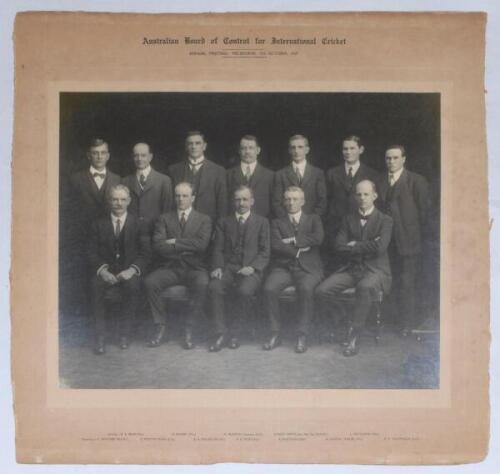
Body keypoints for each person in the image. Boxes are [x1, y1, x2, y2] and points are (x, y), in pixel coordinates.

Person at [316, 180, 393, 356]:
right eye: (359, 194)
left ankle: (354, 335)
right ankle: (345, 319)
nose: (362, 198)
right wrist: (368, 244)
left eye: (366, 194)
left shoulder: (385, 220)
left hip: (376, 270)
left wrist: (354, 245)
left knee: (364, 287)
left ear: (374, 196)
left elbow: (381, 248)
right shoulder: (348, 219)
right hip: (353, 269)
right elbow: (339, 246)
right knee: (321, 291)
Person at [144, 182, 212, 349]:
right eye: (178, 196)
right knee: (150, 282)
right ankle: (160, 326)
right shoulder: (164, 218)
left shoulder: (204, 219)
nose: (181, 199)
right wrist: (187, 246)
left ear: (193, 198)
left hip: (194, 268)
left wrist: (175, 242)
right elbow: (159, 245)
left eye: (185, 196)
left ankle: (190, 327)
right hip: (171, 267)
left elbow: (202, 245)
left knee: (203, 283)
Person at [87, 185, 151, 355]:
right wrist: (103, 271)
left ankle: (125, 334)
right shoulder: (97, 224)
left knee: (133, 287)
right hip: (106, 271)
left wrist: (131, 270)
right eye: (115, 199)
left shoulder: (139, 224)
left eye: (123, 199)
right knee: (95, 286)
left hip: (128, 271)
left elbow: (145, 254)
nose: (119, 203)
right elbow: (91, 252)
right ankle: (100, 337)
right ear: (109, 201)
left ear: (129, 201)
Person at [207, 186, 270, 351]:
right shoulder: (224, 221)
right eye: (237, 199)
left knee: (245, 291)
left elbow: (265, 252)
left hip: (251, 269)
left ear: (252, 201)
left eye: (245, 199)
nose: (241, 203)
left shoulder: (262, 222)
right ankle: (220, 333)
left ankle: (236, 333)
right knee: (214, 287)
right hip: (228, 267)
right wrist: (218, 267)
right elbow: (218, 248)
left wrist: (253, 267)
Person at [263, 186, 324, 353]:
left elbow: (318, 238)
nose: (291, 202)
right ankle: (275, 333)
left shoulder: (313, 219)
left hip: (309, 268)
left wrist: (292, 239)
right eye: (288, 199)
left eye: (295, 199)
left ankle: (302, 334)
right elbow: (275, 244)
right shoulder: (276, 222)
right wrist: (297, 250)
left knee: (305, 289)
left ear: (303, 201)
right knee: (269, 288)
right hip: (284, 268)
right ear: (283, 202)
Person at [377, 145, 430, 336]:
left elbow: (424, 214)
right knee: (388, 281)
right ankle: (388, 320)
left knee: (407, 282)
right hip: (386, 243)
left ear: (404, 159)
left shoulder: (416, 181)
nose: (391, 162)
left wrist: (413, 236)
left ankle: (406, 324)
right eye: (388, 158)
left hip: (408, 242)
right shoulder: (380, 180)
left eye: (395, 158)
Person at [325, 135, 379, 260]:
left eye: (352, 148)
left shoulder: (372, 174)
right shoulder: (332, 173)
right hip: (336, 229)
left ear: (361, 150)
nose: (348, 152)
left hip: (361, 228)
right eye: (345, 149)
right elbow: (327, 201)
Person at [168, 131, 227, 221]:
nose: (194, 146)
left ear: (204, 146)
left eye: (198, 143)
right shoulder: (174, 170)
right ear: (186, 147)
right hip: (180, 223)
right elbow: (170, 202)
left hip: (209, 224)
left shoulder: (218, 171)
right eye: (190, 144)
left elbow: (222, 205)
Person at [69, 138, 121, 233]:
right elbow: (70, 212)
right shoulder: (75, 179)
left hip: (109, 233)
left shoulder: (117, 179)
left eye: (103, 153)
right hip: (83, 233)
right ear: (89, 156)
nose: (99, 157)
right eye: (95, 153)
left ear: (108, 156)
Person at [121, 142, 173, 231]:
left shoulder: (164, 180)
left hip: (155, 231)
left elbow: (167, 211)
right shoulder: (125, 181)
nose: (139, 159)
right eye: (136, 155)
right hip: (131, 231)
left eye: (143, 155)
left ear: (150, 157)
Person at [272, 134, 327, 218]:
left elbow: (322, 201)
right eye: (293, 147)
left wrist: (310, 221)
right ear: (289, 150)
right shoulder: (280, 174)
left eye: (300, 147)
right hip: (287, 223)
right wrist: (289, 220)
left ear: (307, 150)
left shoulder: (317, 173)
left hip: (311, 223)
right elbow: (276, 203)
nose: (296, 151)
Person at [226, 135, 274, 217]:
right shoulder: (228, 174)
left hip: (261, 224)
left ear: (258, 150)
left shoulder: (270, 175)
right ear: (239, 151)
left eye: (251, 148)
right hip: (235, 223)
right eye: (244, 148)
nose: (247, 151)